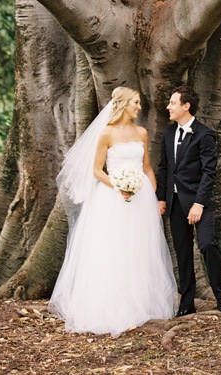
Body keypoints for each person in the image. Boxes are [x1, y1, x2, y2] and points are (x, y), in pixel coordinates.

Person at [48, 87, 177, 336]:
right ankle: (111, 307)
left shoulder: (141, 132)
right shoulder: (106, 133)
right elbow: (97, 170)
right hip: (112, 199)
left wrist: (153, 195)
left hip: (141, 200)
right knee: (113, 249)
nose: (139, 107)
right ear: (123, 104)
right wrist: (118, 186)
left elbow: (147, 167)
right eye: (136, 103)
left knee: (139, 250)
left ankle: (139, 304)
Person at [156, 86, 221, 316]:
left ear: (186, 106)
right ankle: (187, 302)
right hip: (175, 202)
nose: (168, 107)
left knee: (207, 245)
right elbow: (164, 167)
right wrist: (161, 198)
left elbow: (210, 172)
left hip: (200, 202)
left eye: (173, 103)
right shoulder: (168, 134)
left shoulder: (204, 134)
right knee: (183, 252)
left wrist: (199, 203)